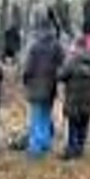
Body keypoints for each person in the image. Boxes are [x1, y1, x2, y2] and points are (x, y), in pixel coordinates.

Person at [22, 13, 65, 158]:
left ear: (39, 28)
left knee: (36, 117)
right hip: (50, 86)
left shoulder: (34, 46)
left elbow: (28, 68)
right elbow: (63, 64)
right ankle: (45, 143)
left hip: (34, 86)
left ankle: (35, 148)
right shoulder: (56, 45)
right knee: (46, 115)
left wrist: (25, 80)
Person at [58, 37, 90, 160]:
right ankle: (80, 148)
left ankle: (71, 149)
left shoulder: (71, 59)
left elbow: (61, 76)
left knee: (73, 123)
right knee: (84, 122)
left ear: (76, 46)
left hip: (73, 97)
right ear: (86, 45)